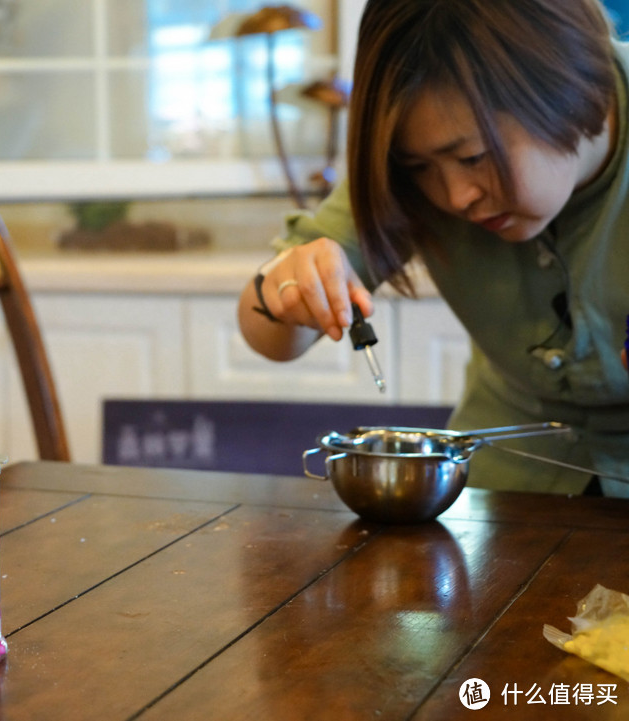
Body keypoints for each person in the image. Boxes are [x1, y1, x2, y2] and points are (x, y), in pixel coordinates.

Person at [238, 0, 629, 496]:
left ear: (568, 89)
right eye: (420, 167)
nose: (454, 197)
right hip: (506, 488)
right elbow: (264, 332)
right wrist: (289, 291)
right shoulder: (412, 167)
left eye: (472, 157)